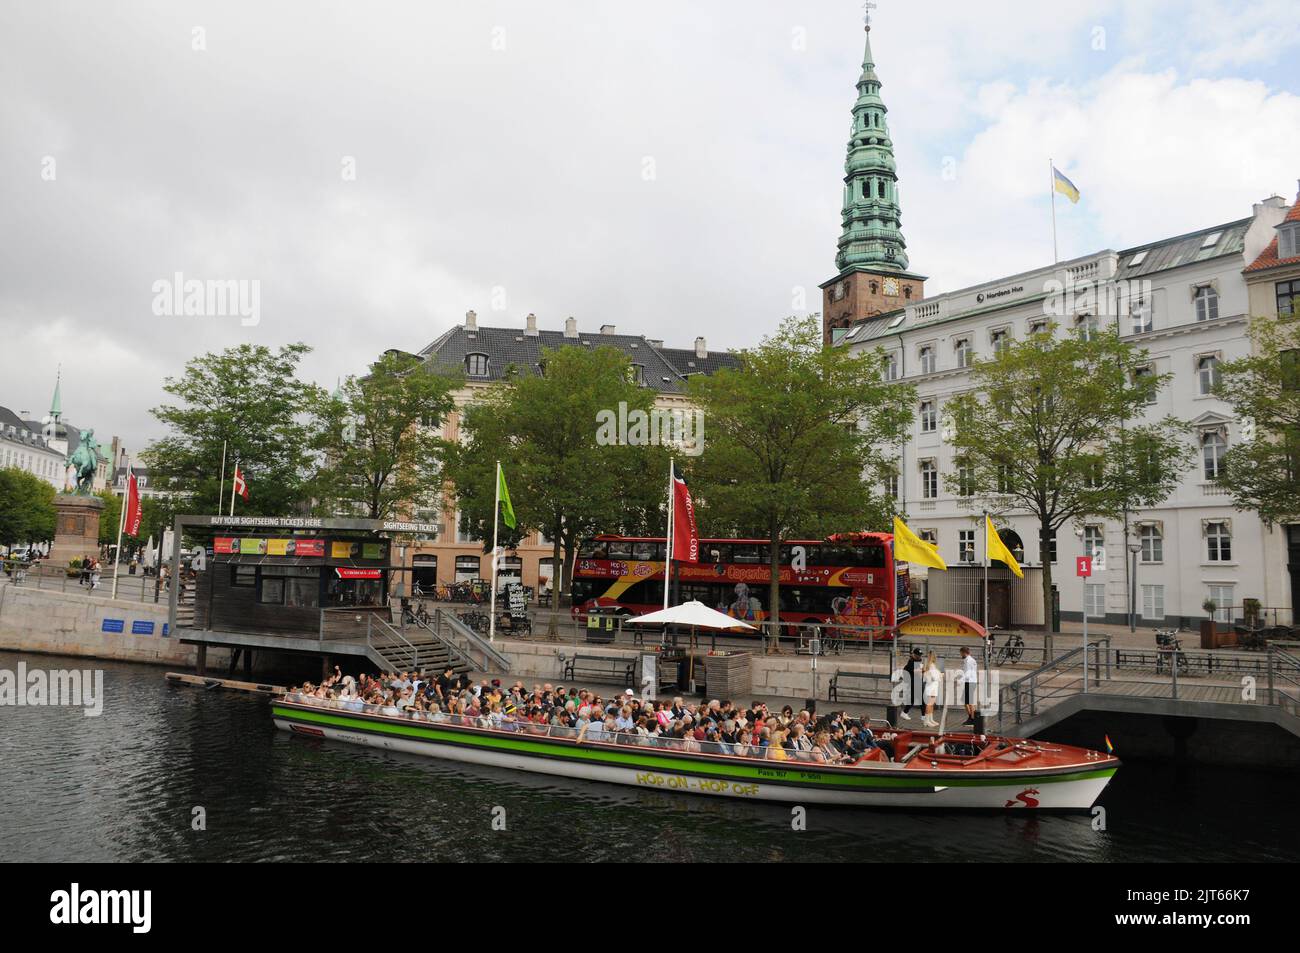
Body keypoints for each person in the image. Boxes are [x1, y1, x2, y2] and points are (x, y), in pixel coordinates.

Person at [959, 645, 979, 726]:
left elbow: (967, 673)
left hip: (969, 682)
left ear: (964, 653)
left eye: (961, 653)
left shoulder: (968, 661)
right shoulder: (972, 660)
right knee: (967, 701)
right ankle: (972, 717)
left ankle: (972, 719)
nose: (961, 655)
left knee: (969, 702)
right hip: (972, 682)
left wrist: (960, 680)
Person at [900, 648, 922, 721]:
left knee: (915, 698)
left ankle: (905, 712)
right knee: (913, 698)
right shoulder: (911, 661)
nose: (919, 656)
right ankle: (904, 712)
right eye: (918, 655)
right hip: (910, 681)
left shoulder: (918, 660)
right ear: (914, 655)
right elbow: (915, 671)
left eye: (920, 655)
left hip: (915, 680)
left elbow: (919, 670)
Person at [922, 651, 941, 728]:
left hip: (933, 686)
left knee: (931, 705)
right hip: (931, 687)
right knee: (929, 704)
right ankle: (926, 721)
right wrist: (940, 675)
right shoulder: (931, 666)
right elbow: (933, 677)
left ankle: (930, 719)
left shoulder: (931, 665)